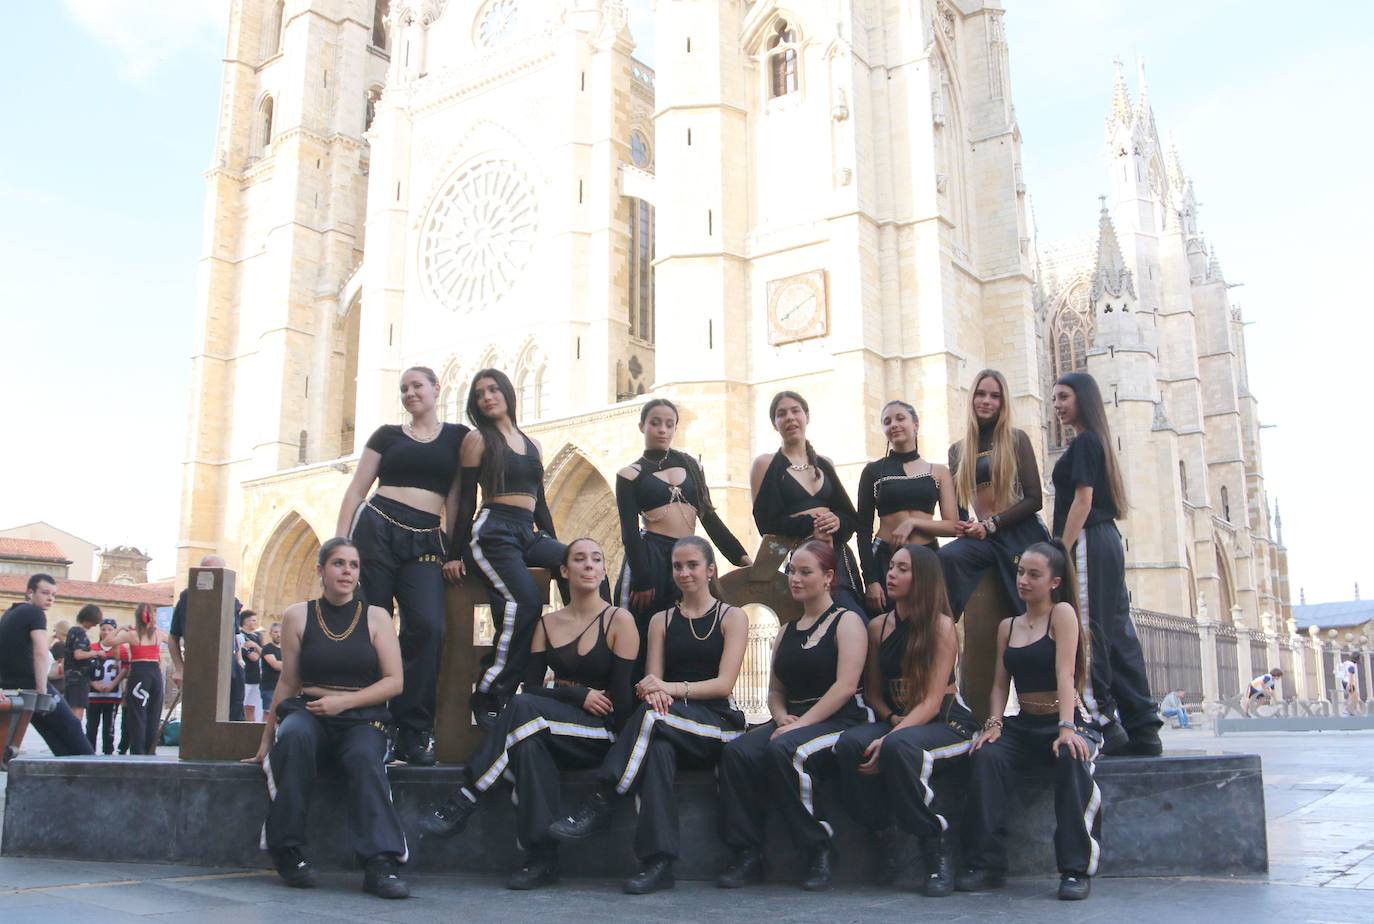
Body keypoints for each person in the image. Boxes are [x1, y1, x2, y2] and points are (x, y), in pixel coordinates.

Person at [419, 538, 639, 889]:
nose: (588, 565)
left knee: (522, 712)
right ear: (564, 571)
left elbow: (623, 700)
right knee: (529, 747)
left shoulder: (619, 620)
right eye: (579, 559)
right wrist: (577, 693)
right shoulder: (546, 624)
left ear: (602, 571)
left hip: (600, 732)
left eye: (596, 559)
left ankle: (468, 795)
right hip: (547, 725)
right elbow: (533, 689)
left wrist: (618, 747)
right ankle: (541, 858)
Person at [548, 536, 749, 895]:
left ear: (710, 570)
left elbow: (723, 684)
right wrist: (658, 691)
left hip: (718, 724)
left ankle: (603, 798)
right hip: (670, 721)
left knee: (653, 720)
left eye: (692, 565)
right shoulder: (660, 620)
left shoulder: (732, 617)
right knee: (656, 751)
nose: (684, 573)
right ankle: (659, 862)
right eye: (677, 566)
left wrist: (670, 690)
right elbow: (652, 681)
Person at [247, 537, 410, 900]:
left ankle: (380, 862)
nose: (347, 572)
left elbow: (394, 682)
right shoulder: (297, 616)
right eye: (338, 564)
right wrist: (265, 739)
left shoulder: (377, 617)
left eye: (353, 565)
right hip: (311, 710)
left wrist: (345, 702)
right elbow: (288, 681)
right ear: (321, 570)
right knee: (295, 738)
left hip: (362, 716)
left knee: (366, 756)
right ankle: (287, 850)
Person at [717, 540, 868, 891]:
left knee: (786, 752)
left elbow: (846, 687)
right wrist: (782, 717)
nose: (795, 579)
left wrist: (799, 725)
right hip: (793, 719)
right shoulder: (786, 630)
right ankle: (747, 852)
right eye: (791, 571)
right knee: (737, 753)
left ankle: (819, 846)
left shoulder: (847, 622)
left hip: (839, 719)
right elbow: (775, 691)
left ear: (829, 577)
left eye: (805, 572)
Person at [958, 540, 1103, 901]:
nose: (1023, 580)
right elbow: (998, 684)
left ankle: (1074, 870)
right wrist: (993, 724)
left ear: (1054, 582)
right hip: (1024, 722)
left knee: (1073, 757)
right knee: (986, 755)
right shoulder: (1008, 625)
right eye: (1021, 571)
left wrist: (1067, 728)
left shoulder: (1062, 614)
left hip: (1067, 718)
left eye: (1034, 575)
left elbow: (1065, 674)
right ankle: (987, 864)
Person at [338, 366, 467, 765]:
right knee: (373, 623)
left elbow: (457, 500)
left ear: (435, 389)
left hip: (427, 536)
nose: (410, 393)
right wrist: (339, 542)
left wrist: (455, 547)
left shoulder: (457, 438)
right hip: (377, 528)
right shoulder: (386, 435)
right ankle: (376, 724)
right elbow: (357, 489)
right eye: (403, 388)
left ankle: (415, 729)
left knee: (429, 626)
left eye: (416, 386)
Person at [836, 544, 977, 897]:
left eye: (902, 569)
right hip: (900, 720)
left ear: (924, 579)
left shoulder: (941, 627)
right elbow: (874, 695)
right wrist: (890, 720)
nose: (891, 574)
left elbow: (931, 702)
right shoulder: (877, 627)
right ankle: (881, 833)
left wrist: (891, 736)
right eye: (892, 567)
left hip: (946, 723)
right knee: (849, 745)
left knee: (898, 747)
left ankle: (935, 848)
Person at [450, 368, 584, 729]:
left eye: (494, 389)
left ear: (508, 393)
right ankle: (490, 692)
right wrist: (452, 552)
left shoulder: (532, 444)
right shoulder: (478, 440)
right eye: (480, 394)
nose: (488, 397)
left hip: (528, 531)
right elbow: (464, 502)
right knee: (524, 602)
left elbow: (539, 503)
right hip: (492, 531)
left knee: (586, 572)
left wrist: (561, 552)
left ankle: (578, 666)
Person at [1050, 372, 1162, 756]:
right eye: (1054, 399)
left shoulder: (1083, 442)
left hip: (1087, 542)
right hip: (1106, 541)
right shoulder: (1096, 440)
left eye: (1063, 397)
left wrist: (1058, 552)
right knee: (1118, 632)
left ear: (1083, 397)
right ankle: (1144, 727)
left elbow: (1082, 502)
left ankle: (1102, 722)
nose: (1057, 405)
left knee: (1088, 631)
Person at [615, 398, 750, 676]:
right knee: (638, 629)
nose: (662, 430)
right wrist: (642, 578)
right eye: (655, 423)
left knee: (685, 628)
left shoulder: (691, 466)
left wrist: (742, 557)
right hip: (649, 557)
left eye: (669, 424)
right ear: (642, 426)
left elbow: (709, 518)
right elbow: (628, 531)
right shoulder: (629, 474)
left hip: (687, 557)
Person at [939, 369, 1050, 619]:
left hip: (1021, 532)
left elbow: (1035, 499)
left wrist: (992, 524)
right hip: (985, 539)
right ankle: (943, 632)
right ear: (972, 399)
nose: (986, 401)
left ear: (1003, 403)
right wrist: (967, 525)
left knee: (1028, 605)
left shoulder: (1016, 439)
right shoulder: (957, 451)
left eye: (994, 396)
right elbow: (961, 508)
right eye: (980, 394)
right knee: (946, 556)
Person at [751, 390, 867, 619]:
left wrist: (836, 521)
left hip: (837, 557)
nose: (790, 417)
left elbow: (850, 518)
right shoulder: (765, 464)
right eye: (781, 413)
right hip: (801, 557)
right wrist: (811, 524)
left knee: (853, 617)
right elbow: (766, 522)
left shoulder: (825, 464)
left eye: (796, 411)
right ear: (775, 424)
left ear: (807, 416)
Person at [857, 400, 959, 614]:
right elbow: (863, 531)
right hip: (885, 557)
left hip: (927, 557)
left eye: (900, 418)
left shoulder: (938, 471)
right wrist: (871, 580)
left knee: (933, 624)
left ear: (916, 424)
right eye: (887, 421)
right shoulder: (872, 472)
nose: (893, 424)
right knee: (885, 626)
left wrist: (912, 523)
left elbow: (953, 526)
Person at [0, 574, 93, 756]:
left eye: (53, 594)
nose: (50, 598)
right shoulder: (35, 613)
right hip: (33, 688)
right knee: (72, 728)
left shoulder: (9, 614)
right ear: (30, 592)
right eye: (44, 593)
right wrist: (42, 692)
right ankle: (94, 773)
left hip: (14, 689)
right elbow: (41, 652)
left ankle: (67, 776)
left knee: (52, 734)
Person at [168, 553, 244, 721]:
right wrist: (179, 668)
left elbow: (235, 636)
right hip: (199, 669)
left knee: (232, 717)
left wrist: (239, 660)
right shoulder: (188, 597)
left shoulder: (232, 599)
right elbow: (173, 637)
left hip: (229, 668)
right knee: (199, 719)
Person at [97, 604, 165, 755]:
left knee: (137, 713)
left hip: (140, 672)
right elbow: (175, 640)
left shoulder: (132, 635)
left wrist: (120, 627)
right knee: (154, 712)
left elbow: (106, 642)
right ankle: (150, 749)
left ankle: (138, 750)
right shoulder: (159, 634)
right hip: (155, 673)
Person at [87, 618, 129, 754]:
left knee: (109, 727)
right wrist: (93, 683)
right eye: (103, 629)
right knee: (91, 726)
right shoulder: (92, 648)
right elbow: (84, 669)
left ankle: (108, 752)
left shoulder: (122, 650)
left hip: (112, 694)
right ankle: (88, 751)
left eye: (110, 630)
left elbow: (125, 669)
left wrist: (113, 684)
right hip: (93, 694)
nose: (106, 632)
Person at [63, 605, 106, 722]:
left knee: (70, 711)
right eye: (94, 622)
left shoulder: (72, 631)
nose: (94, 626)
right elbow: (78, 654)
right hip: (79, 679)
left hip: (70, 678)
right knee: (77, 714)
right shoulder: (80, 633)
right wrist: (95, 653)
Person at [240, 610, 264, 722]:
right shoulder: (241, 636)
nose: (255, 623)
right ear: (246, 621)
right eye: (253, 620)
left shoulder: (256, 637)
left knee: (253, 707)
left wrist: (255, 646)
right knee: (242, 706)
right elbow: (253, 657)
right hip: (245, 677)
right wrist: (259, 651)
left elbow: (264, 654)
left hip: (256, 678)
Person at [260, 621, 282, 714]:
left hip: (283, 687)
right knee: (269, 714)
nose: (279, 634)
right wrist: (291, 663)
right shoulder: (267, 648)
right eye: (275, 632)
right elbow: (276, 665)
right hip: (270, 687)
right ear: (270, 634)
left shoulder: (287, 648)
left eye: (280, 632)